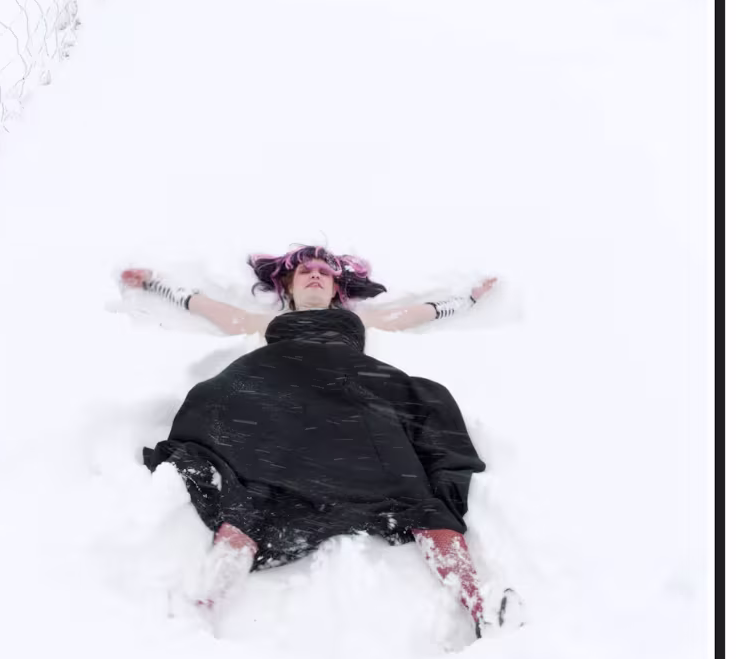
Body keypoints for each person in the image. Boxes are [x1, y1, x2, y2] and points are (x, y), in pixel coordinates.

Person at [121, 245, 513, 637]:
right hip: (280, 400)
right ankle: (204, 605)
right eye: (305, 271)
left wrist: (470, 298)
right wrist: (154, 284)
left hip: (348, 399)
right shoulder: (267, 321)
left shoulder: (358, 319)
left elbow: (420, 312)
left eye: (324, 272)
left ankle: (480, 605)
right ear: (288, 285)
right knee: (249, 496)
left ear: (336, 288)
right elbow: (204, 306)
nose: (315, 275)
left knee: (413, 489)